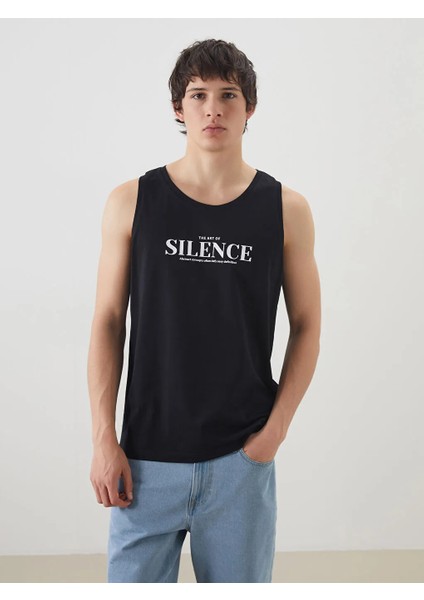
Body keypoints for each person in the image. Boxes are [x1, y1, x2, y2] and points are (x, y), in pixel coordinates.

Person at [87, 38, 321, 583]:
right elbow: (107, 321)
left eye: (228, 94)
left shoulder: (286, 209)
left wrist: (274, 434)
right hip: (144, 463)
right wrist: (103, 438)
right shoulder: (132, 201)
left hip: (241, 462)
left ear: (249, 108)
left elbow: (308, 325)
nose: (213, 108)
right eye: (198, 95)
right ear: (179, 107)